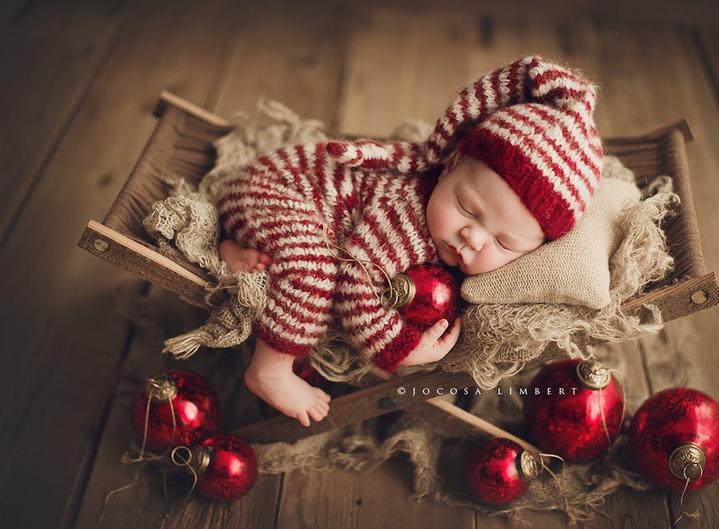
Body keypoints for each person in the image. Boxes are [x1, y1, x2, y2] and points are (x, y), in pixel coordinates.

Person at [214, 54, 604, 427]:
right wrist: (400, 345)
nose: (473, 237)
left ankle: (243, 255)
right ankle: (270, 371)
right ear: (449, 167)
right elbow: (355, 278)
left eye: (504, 242)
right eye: (467, 208)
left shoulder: (466, 237)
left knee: (303, 255)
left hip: (274, 216)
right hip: (275, 190)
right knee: (313, 269)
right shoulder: (407, 216)